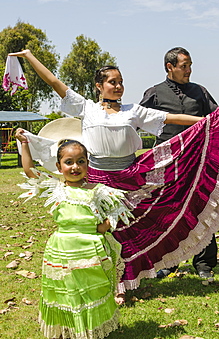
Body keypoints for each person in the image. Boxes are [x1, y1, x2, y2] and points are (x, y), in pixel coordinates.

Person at [9, 50, 219, 300]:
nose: (118, 86)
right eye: (113, 82)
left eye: (121, 82)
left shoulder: (133, 111)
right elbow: (54, 82)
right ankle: (102, 281)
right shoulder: (86, 107)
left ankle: (128, 279)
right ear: (99, 86)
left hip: (130, 177)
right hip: (97, 179)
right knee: (101, 231)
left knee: (130, 230)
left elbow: (172, 117)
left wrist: (209, 121)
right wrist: (29, 56)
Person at [15, 128, 133, 338]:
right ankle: (67, 329)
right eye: (69, 162)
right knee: (66, 291)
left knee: (90, 291)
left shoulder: (99, 191)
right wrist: (24, 144)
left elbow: (118, 208)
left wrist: (106, 224)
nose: (75, 167)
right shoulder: (56, 189)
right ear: (59, 166)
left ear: (88, 164)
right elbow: (30, 171)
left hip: (91, 251)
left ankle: (90, 329)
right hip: (62, 250)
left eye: (81, 161)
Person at [140, 46, 219, 279]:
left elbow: (216, 119)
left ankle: (204, 263)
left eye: (190, 65)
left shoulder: (200, 92)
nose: (189, 70)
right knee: (167, 210)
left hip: (198, 160)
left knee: (202, 209)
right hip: (168, 163)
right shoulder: (155, 93)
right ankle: (168, 261)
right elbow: (136, 120)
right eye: (184, 66)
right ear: (170, 67)